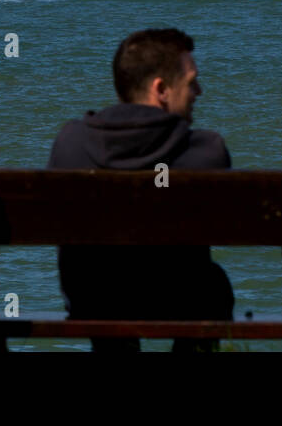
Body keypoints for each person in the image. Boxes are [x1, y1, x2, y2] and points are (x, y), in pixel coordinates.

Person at [47, 28, 234, 351]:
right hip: (180, 300)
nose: (199, 91)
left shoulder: (70, 143)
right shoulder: (207, 152)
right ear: (160, 89)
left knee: (96, 278)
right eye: (191, 82)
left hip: (93, 303)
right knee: (212, 286)